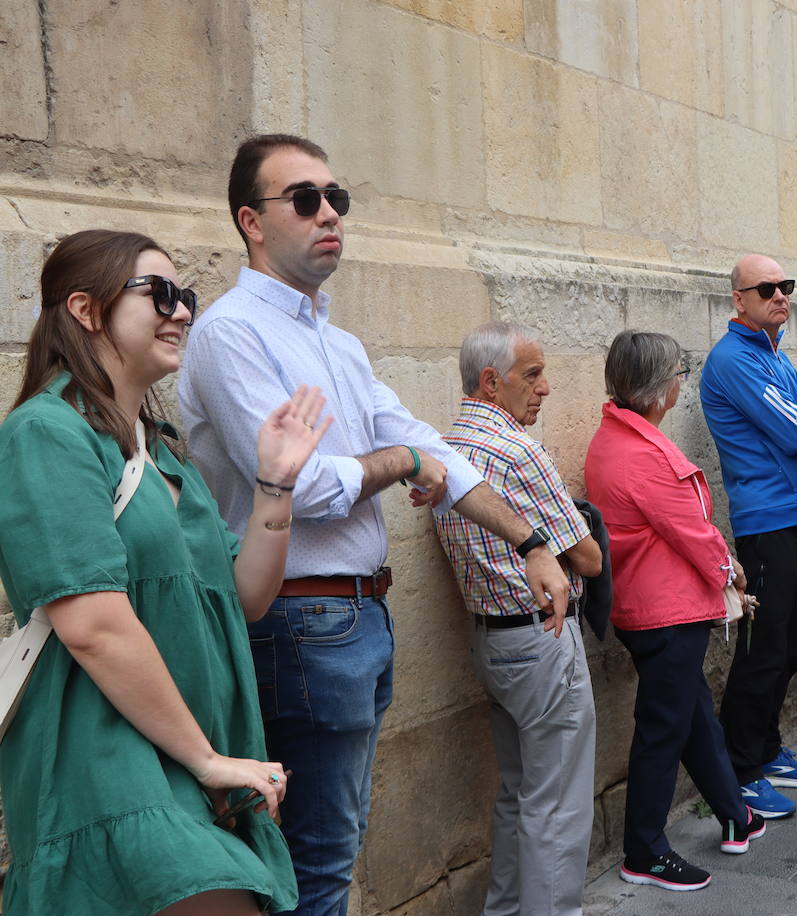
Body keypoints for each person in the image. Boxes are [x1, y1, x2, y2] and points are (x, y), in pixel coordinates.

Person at [179, 134, 571, 916]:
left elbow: (438, 455)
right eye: (305, 200)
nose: (329, 213)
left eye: (337, 199)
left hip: (353, 618)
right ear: (250, 222)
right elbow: (311, 484)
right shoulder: (231, 334)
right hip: (297, 617)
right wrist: (398, 465)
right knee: (314, 862)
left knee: (335, 844)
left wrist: (530, 542)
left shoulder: (338, 343)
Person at [0, 229, 325, 915]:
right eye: (162, 294)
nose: (182, 311)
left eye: (189, 298)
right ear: (87, 310)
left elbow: (244, 600)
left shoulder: (165, 455)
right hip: (105, 756)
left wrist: (274, 485)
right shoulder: (46, 433)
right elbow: (92, 626)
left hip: (188, 748)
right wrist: (207, 762)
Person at [585, 330, 766, 894]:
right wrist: (729, 571)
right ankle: (644, 850)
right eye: (678, 374)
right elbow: (690, 530)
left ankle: (735, 813)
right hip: (665, 610)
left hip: (653, 604)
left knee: (690, 717)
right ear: (662, 388)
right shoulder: (643, 454)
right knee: (666, 728)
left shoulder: (615, 437)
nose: (681, 384)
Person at [436, 323, 602, 914]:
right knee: (556, 804)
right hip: (539, 638)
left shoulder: (446, 445)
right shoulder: (516, 449)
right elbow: (588, 557)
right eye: (532, 375)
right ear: (491, 381)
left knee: (519, 795)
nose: (547, 388)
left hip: (490, 641)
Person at [700, 254, 797, 818]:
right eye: (767, 288)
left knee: (793, 642)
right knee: (763, 651)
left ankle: (768, 748)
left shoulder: (773, 353)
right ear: (739, 299)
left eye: (786, 286)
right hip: (767, 520)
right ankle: (741, 768)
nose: (781, 295)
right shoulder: (733, 359)